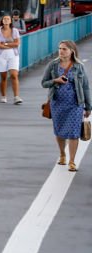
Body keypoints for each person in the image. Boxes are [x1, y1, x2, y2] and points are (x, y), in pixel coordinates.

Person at [42, 40, 92, 172]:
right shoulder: (52, 65)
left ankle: (72, 161)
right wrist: (55, 81)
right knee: (59, 132)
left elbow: (86, 87)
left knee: (74, 133)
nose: (61, 51)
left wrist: (88, 106)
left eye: (64, 49)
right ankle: (62, 154)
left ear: (72, 51)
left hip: (75, 104)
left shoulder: (79, 66)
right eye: (60, 48)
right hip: (57, 103)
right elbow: (44, 83)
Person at [0, 14, 22, 104]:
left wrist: (5, 44)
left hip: (13, 55)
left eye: (8, 19)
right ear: (2, 21)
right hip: (1, 56)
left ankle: (16, 97)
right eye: (4, 19)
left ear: (10, 21)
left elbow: (17, 43)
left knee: (14, 75)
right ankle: (3, 96)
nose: (6, 20)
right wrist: (10, 44)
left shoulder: (15, 31)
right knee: (3, 76)